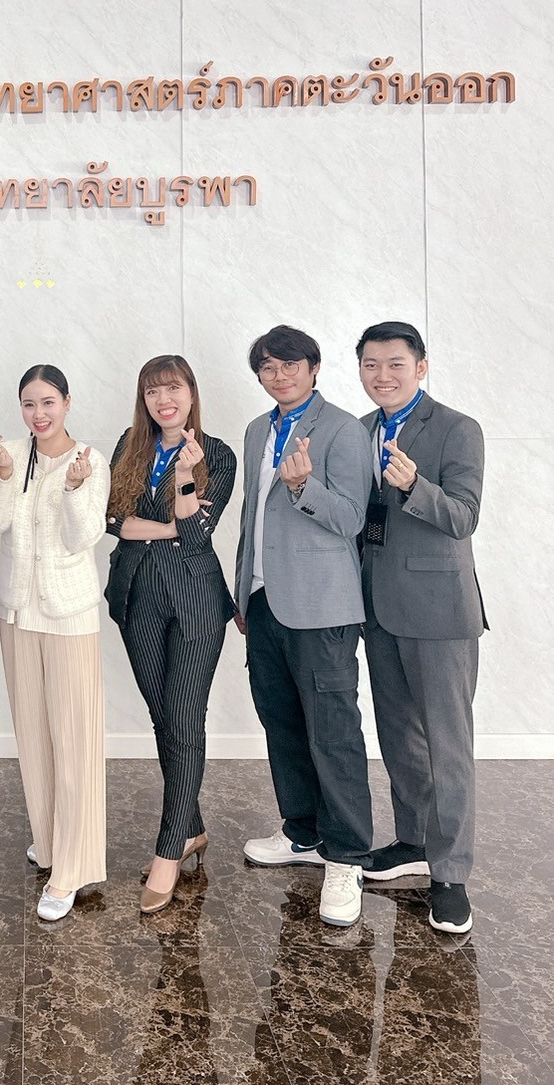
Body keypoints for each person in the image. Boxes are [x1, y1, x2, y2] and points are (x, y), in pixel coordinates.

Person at [234, 325, 375, 927]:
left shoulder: (343, 429)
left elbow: (351, 518)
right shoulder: (257, 430)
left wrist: (302, 486)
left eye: (290, 364)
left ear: (314, 368)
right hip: (264, 600)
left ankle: (346, 856)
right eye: (267, 367)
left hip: (321, 606)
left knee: (333, 732)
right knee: (282, 722)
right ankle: (302, 832)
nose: (279, 375)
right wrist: (243, 590)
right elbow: (251, 515)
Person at [356, 321, 486, 935]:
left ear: (421, 367)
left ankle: (451, 873)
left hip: (439, 612)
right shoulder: (360, 429)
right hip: (378, 608)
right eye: (371, 365)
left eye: (395, 364)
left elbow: (464, 516)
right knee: (399, 736)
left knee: (447, 744)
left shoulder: (458, 429)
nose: (382, 376)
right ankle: (412, 841)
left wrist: (414, 485)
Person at [104, 354, 238, 914]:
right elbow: (111, 519)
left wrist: (184, 479)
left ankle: (167, 851)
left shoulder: (219, 455)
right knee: (165, 717)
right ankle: (191, 827)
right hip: (136, 596)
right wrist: (168, 528)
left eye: (173, 389)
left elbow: (198, 534)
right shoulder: (129, 445)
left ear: (192, 393)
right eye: (153, 391)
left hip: (195, 602)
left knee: (183, 719)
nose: (164, 400)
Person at [0, 364, 109, 922]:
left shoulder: (90, 460)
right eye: (29, 404)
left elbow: (85, 536)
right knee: (32, 734)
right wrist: (5, 474)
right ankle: (51, 842)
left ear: (67, 403)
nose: (39, 414)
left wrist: (75, 488)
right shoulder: (9, 453)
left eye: (48, 402)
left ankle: (72, 868)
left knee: (74, 741)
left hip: (69, 615)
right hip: (17, 611)